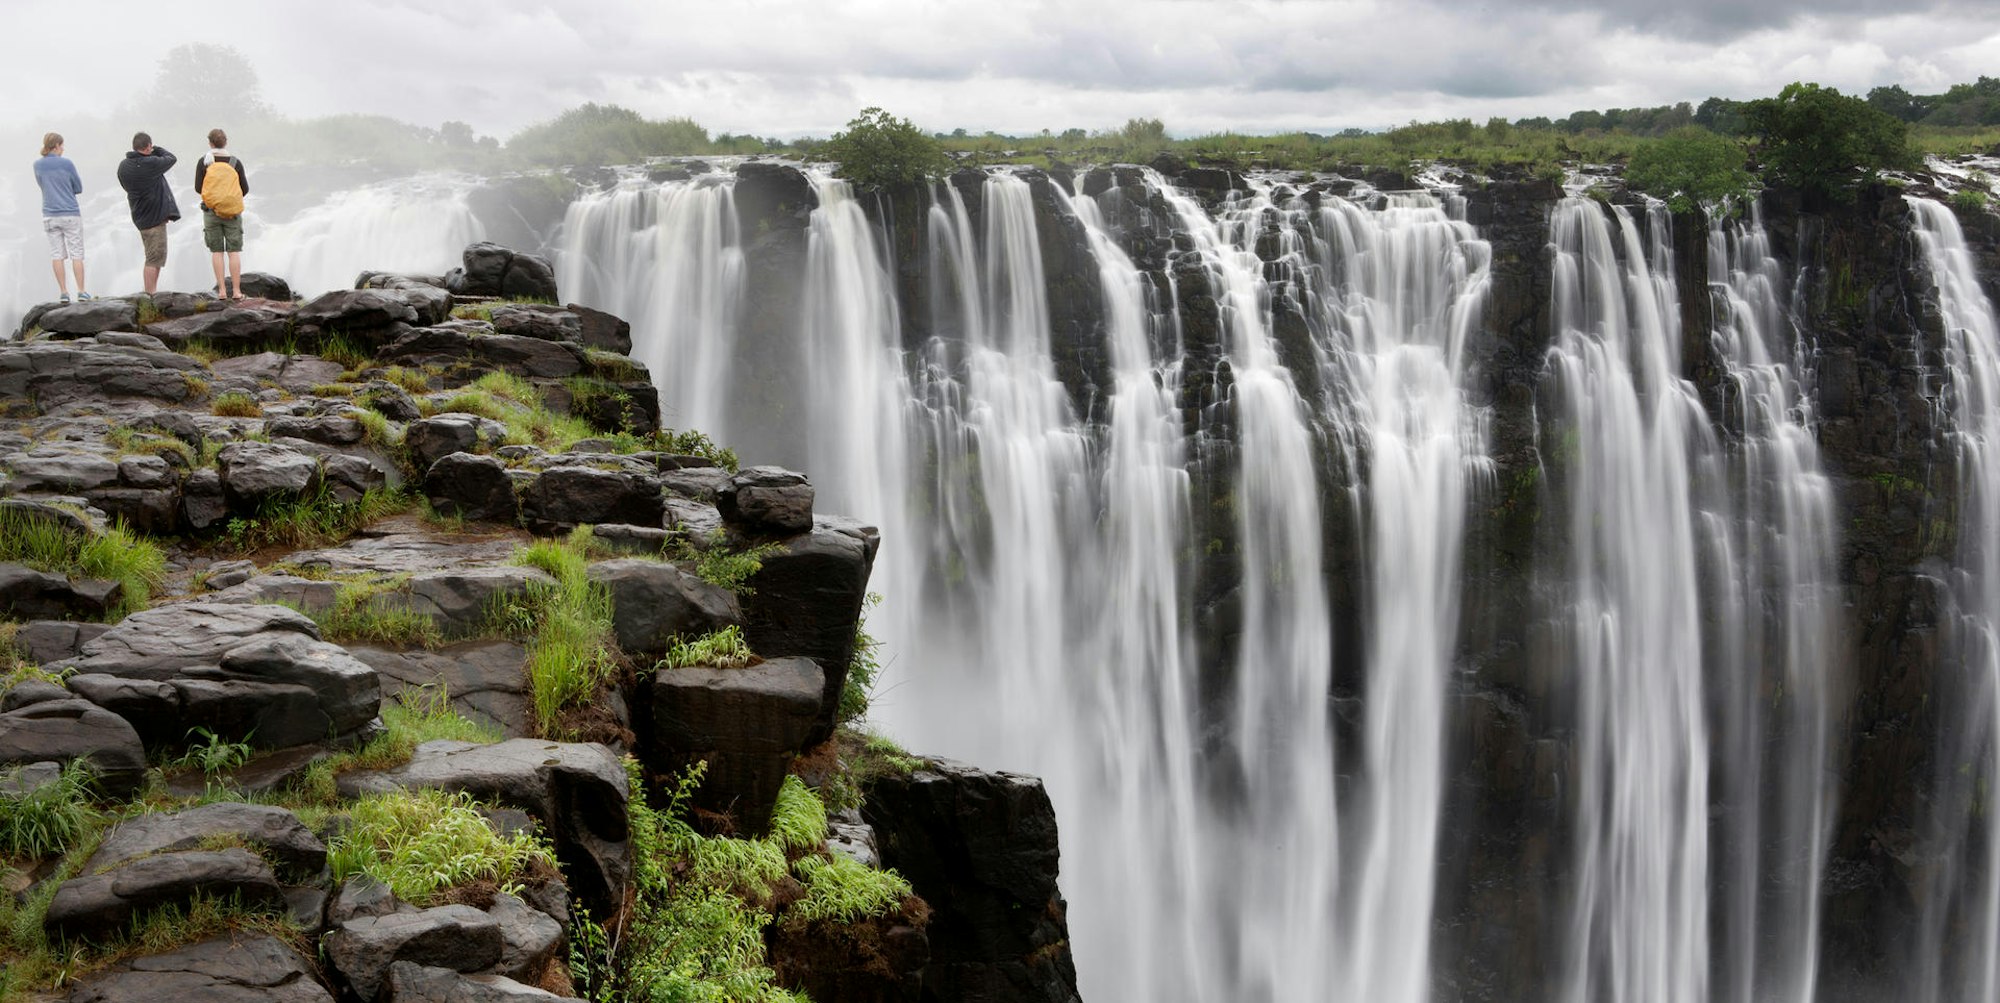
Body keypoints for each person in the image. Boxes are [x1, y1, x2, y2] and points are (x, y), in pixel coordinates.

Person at [115, 132, 178, 295]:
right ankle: (150, 293)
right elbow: (171, 158)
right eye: (150, 146)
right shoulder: (150, 163)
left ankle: (151, 291)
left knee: (154, 257)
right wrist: (156, 149)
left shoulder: (124, 165)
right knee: (153, 258)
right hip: (154, 218)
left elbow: (123, 184)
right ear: (148, 146)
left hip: (139, 215)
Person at [193, 128, 248, 300]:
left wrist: (215, 200)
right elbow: (244, 189)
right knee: (234, 252)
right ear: (226, 142)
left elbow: (198, 188)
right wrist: (229, 200)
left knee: (216, 251)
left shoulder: (204, 161)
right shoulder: (234, 162)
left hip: (211, 212)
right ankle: (237, 291)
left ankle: (222, 291)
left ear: (210, 143)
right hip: (232, 213)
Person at [33, 132, 88, 303]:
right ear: (56, 145)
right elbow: (78, 187)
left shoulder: (37, 165)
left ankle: (64, 292)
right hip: (70, 212)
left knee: (57, 254)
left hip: (49, 214)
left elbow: (41, 184)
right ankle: (81, 291)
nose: (63, 149)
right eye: (62, 145)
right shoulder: (67, 164)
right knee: (76, 254)